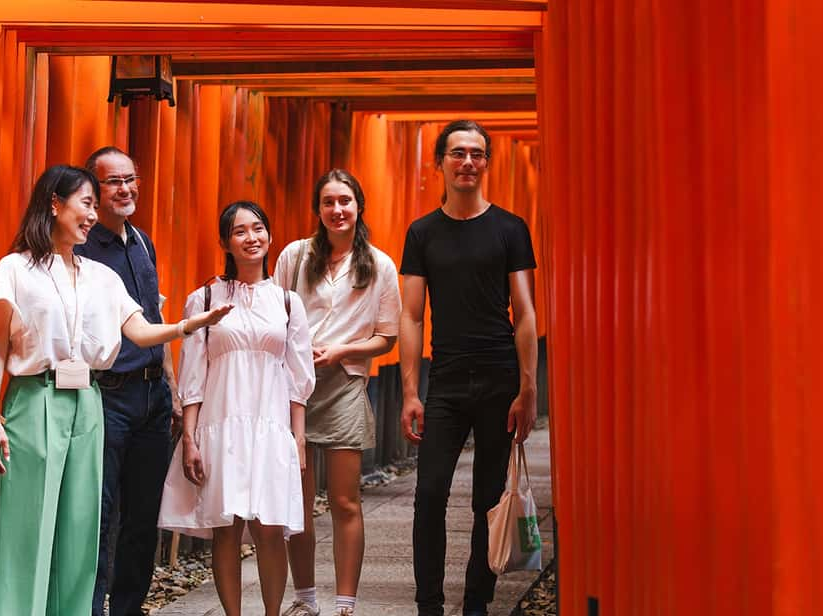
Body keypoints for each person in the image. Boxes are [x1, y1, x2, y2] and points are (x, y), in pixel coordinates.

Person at [0, 165, 230, 616]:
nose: (93, 215)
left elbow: (140, 330)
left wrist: (191, 326)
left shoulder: (100, 277)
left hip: (89, 403)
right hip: (35, 398)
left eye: (95, 205)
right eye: (87, 203)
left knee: (81, 529)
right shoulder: (15, 269)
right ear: (55, 203)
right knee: (28, 528)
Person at [398, 120, 539, 616]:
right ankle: (429, 605)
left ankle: (476, 601)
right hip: (449, 380)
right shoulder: (422, 233)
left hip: (499, 376)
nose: (467, 162)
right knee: (429, 493)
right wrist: (411, 392)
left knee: (487, 496)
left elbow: (524, 314)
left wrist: (528, 388)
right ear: (440, 163)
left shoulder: (510, 228)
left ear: (486, 163)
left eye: (477, 154)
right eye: (457, 153)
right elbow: (412, 315)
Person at [158, 200, 316, 616]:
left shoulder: (287, 302)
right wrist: (189, 440)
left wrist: (298, 440)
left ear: (269, 235)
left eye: (258, 228)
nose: (252, 238)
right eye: (240, 231)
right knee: (225, 530)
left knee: (270, 528)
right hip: (220, 424)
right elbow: (192, 376)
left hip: (270, 425)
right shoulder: (204, 298)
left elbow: (298, 380)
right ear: (225, 242)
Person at [273, 169, 402, 616]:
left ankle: (345, 603)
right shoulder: (294, 256)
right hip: (295, 387)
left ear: (358, 206)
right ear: (318, 209)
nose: (337, 210)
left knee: (346, 500)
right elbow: (276, 315)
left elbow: (387, 337)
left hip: (345, 382)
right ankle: (305, 599)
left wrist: (344, 348)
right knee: (299, 500)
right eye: (328, 202)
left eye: (345, 201)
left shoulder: (380, 265)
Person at [74, 146, 180, 616]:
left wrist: (171, 388)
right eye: (114, 181)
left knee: (143, 515)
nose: (126, 189)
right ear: (94, 191)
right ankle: (93, 606)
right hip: (110, 394)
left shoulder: (142, 241)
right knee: (100, 511)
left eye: (130, 179)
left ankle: (129, 607)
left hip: (152, 394)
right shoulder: (81, 247)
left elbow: (153, 318)